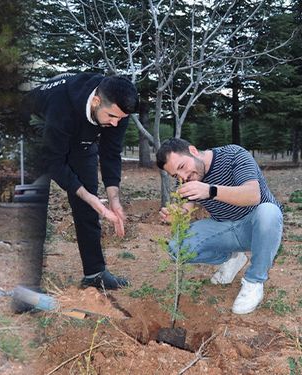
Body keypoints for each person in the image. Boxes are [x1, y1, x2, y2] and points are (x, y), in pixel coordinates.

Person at [25, 72, 139, 290]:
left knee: (87, 208)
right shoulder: (61, 105)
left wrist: (113, 200)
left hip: (80, 141)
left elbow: (111, 153)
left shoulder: (117, 107)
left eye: (120, 119)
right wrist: (90, 198)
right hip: (39, 130)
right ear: (96, 101)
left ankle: (95, 274)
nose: (116, 124)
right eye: (112, 117)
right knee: (34, 202)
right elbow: (54, 162)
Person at [156, 138, 283, 314]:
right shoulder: (188, 178)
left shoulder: (233, 155)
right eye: (175, 176)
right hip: (224, 229)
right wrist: (176, 215)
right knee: (176, 249)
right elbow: (187, 208)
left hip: (255, 227)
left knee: (269, 211)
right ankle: (232, 258)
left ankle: (254, 282)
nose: (183, 177)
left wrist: (210, 190)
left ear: (193, 151)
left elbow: (252, 195)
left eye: (182, 167)